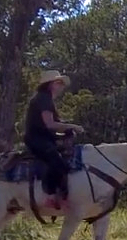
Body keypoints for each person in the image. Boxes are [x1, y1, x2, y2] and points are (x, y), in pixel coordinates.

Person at [24, 70, 84, 208]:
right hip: (37, 139)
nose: (62, 86)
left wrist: (67, 129)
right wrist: (72, 126)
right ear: (50, 84)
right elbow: (50, 124)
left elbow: (54, 123)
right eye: (59, 83)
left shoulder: (45, 99)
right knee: (56, 161)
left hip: (43, 138)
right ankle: (50, 195)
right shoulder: (44, 99)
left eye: (62, 83)